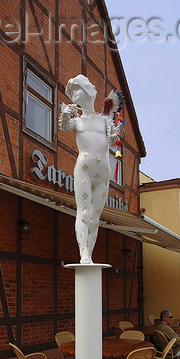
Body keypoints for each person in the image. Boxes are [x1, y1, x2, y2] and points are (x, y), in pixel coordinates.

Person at [59, 74, 121, 264]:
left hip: (104, 171)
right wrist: (66, 113)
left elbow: (111, 140)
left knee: (95, 217)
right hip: (84, 167)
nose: (74, 94)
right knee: (84, 212)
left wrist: (113, 132)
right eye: (72, 92)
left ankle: (89, 254)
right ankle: (84, 254)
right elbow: (64, 125)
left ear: (88, 91)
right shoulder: (77, 120)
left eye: (77, 89)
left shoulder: (104, 120)